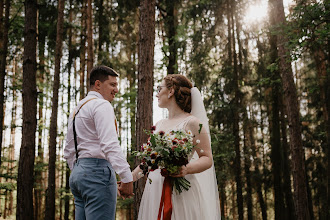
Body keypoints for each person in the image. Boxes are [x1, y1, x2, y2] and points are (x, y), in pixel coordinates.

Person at [132, 74, 221, 220]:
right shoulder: (159, 124)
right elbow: (148, 162)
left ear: (171, 90)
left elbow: (207, 158)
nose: (157, 94)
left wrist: (186, 169)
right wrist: (129, 179)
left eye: (159, 89)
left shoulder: (193, 123)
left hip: (182, 192)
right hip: (155, 189)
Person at [64, 65, 133, 220]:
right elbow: (110, 144)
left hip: (77, 174)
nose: (116, 89)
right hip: (98, 173)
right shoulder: (102, 105)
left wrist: (78, 171)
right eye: (113, 85)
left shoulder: (77, 109)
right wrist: (126, 177)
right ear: (98, 84)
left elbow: (68, 149)